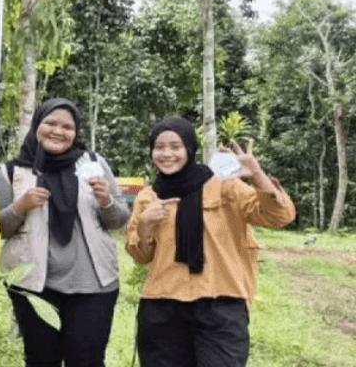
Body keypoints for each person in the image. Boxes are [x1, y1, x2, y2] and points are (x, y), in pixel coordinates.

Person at [126, 116, 295, 367]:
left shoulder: (224, 186)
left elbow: (280, 216)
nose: (167, 154)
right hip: (162, 307)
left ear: (189, 148)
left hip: (220, 303)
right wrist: (145, 224)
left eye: (175, 146)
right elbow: (141, 256)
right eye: (159, 147)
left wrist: (258, 175)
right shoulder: (148, 197)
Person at [0, 97, 129, 367]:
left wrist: (106, 201)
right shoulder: (12, 172)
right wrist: (20, 207)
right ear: (37, 125)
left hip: (93, 286)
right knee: (41, 360)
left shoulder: (94, 163)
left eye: (67, 127)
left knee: (87, 360)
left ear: (76, 132)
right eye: (51, 123)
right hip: (33, 286)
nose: (58, 131)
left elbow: (120, 220)